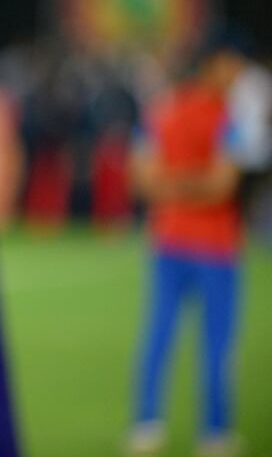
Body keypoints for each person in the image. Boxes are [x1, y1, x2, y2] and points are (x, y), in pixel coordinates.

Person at [127, 42, 244, 457]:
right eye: (233, 65)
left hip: (169, 237)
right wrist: (198, 183)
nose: (237, 75)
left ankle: (145, 425)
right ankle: (215, 432)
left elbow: (144, 177)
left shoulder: (162, 109)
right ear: (213, 65)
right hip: (215, 246)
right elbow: (222, 184)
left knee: (157, 335)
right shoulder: (223, 115)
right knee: (217, 342)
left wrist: (172, 186)